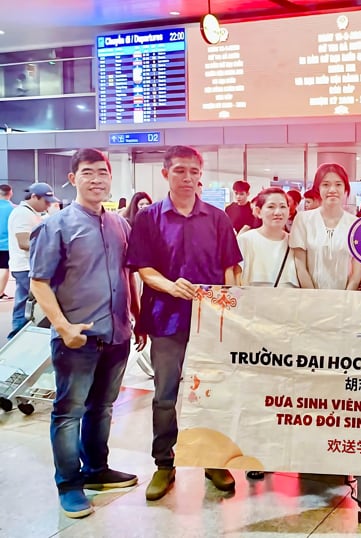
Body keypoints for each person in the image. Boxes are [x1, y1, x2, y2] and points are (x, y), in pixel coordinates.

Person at [29, 148, 144, 518]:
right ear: (73, 177)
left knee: (102, 408)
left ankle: (97, 469)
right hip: (76, 338)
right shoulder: (56, 225)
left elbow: (127, 274)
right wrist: (63, 327)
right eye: (88, 172)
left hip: (117, 333)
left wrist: (136, 316)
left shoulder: (120, 225)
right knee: (68, 413)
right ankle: (69, 484)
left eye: (103, 172)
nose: (97, 180)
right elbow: (39, 282)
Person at [127, 145, 243, 501]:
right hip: (166, 318)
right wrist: (170, 286)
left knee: (212, 391)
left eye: (194, 171)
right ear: (165, 174)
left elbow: (231, 267)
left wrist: (230, 310)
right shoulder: (148, 218)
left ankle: (213, 460)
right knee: (165, 394)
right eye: (179, 170)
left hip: (210, 322)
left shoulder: (217, 218)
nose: (187, 178)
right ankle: (164, 464)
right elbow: (143, 268)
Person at [290, 163, 360, 290]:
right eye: (326, 184)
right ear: (318, 188)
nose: (332, 190)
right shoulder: (303, 220)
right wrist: (315, 297)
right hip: (310, 297)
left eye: (338, 184)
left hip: (345, 297)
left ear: (345, 188)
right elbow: (300, 266)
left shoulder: (355, 224)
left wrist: (346, 297)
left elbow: (356, 273)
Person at [7, 183, 56, 338]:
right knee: (39, 301)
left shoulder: (32, 213)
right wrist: (51, 246)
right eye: (46, 201)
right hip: (25, 266)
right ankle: (18, 335)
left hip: (28, 265)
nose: (48, 205)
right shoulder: (22, 214)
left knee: (23, 303)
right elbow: (23, 243)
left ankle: (17, 336)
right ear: (34, 197)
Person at [237, 188, 298, 287]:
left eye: (283, 206)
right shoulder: (245, 240)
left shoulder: (295, 242)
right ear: (258, 212)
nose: (278, 212)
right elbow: (236, 279)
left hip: (290, 297)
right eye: (271, 207)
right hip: (252, 296)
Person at [0, 184, 14, 300]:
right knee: (4, 268)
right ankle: (0, 292)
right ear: (11, 193)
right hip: (5, 244)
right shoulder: (14, 209)